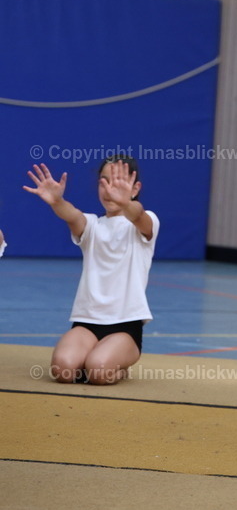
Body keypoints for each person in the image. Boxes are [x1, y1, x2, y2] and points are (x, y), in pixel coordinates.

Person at [23, 157, 159, 385]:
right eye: (103, 182)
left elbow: (138, 215)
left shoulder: (146, 223)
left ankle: (118, 366)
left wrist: (126, 204)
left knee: (98, 371)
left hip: (125, 327)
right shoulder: (93, 225)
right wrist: (57, 201)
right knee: (63, 370)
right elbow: (72, 215)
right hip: (87, 323)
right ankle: (93, 356)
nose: (109, 190)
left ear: (135, 188)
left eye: (118, 182)